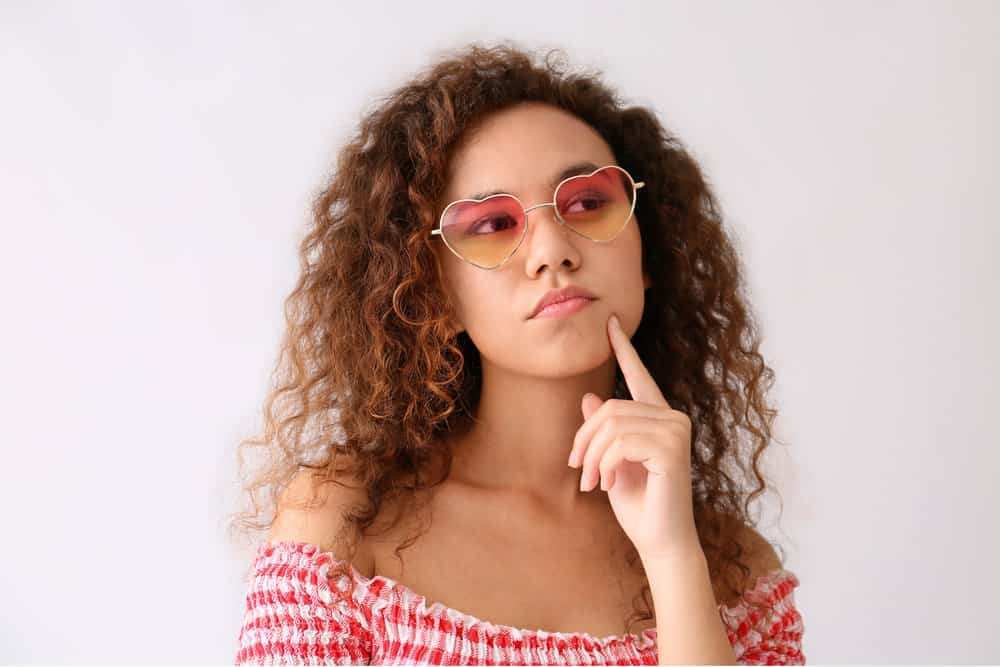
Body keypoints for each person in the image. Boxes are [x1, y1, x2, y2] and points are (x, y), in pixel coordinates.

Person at [231, 41, 806, 665]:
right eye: (492, 224)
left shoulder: (737, 574)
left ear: (650, 252)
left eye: (588, 203)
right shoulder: (342, 526)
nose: (552, 250)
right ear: (431, 290)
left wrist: (672, 557)